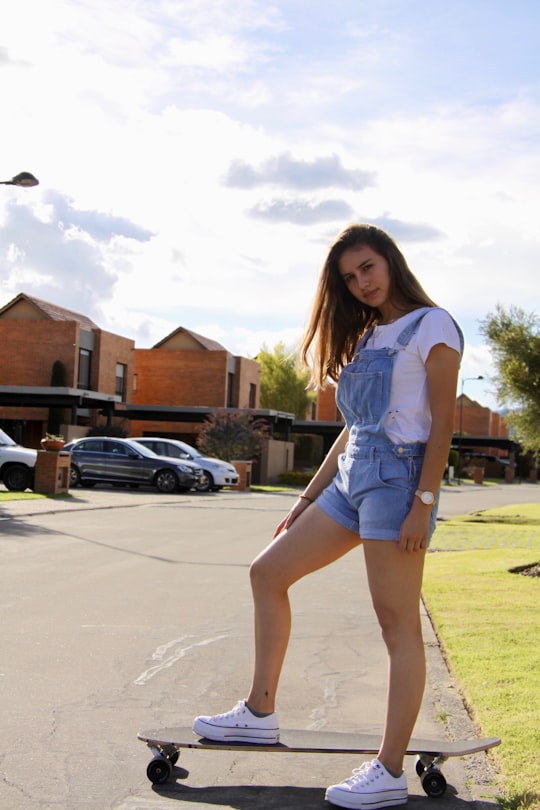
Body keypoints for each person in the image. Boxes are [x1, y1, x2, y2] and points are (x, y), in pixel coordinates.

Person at [193, 224, 463, 809]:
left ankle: (390, 770)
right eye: (348, 276)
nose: (360, 283)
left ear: (390, 260)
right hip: (353, 478)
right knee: (267, 572)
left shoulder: (433, 325)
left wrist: (423, 504)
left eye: (367, 267)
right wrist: (307, 498)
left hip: (400, 484)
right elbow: (352, 428)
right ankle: (260, 710)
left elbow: (442, 424)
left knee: (396, 626)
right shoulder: (369, 334)